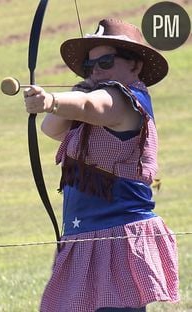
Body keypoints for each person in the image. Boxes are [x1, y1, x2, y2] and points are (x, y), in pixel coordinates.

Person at [23, 19, 179, 311]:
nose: (96, 71)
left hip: (117, 241)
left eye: (105, 62)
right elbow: (51, 127)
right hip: (86, 237)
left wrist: (51, 99)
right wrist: (72, 93)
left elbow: (94, 107)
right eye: (89, 66)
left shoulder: (125, 100)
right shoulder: (93, 100)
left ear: (135, 66)